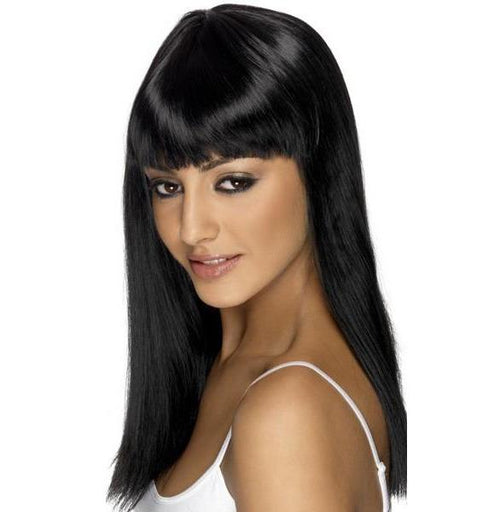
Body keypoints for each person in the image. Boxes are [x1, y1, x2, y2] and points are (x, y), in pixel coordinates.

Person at [107, 4, 407, 512]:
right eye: (167, 187)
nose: (191, 229)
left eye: (232, 182)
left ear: (317, 169)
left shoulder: (288, 410)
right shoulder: (221, 365)